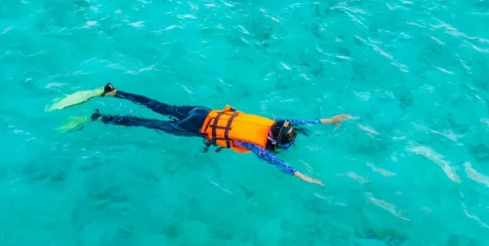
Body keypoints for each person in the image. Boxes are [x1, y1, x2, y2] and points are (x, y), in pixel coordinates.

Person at [70, 83, 350, 185]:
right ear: (276, 140)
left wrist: (326, 120)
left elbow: (294, 120)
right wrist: (299, 174)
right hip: (197, 127)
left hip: (204, 113)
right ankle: (100, 117)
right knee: (150, 123)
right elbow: (272, 160)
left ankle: (114, 92)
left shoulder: (273, 123)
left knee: (159, 105)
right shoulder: (251, 143)